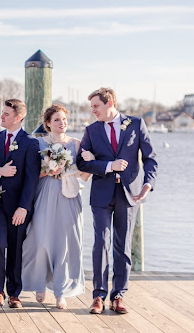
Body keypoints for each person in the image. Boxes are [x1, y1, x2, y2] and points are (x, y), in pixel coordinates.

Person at [77, 88, 157, 315]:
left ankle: (119, 295)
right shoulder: (91, 131)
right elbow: (81, 163)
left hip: (130, 193)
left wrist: (147, 184)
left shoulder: (136, 124)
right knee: (100, 243)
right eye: (92, 107)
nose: (92, 111)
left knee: (122, 246)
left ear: (109, 102)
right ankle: (98, 296)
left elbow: (151, 158)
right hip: (101, 194)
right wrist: (107, 166)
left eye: (96, 106)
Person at [21, 104, 91, 309]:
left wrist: (90, 161)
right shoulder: (38, 143)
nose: (63, 123)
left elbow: (85, 176)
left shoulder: (77, 144)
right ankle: (39, 282)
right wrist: (50, 170)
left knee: (65, 243)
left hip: (69, 196)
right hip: (45, 193)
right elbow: (31, 173)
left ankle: (61, 291)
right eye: (58, 120)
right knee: (40, 240)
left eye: (64, 119)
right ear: (48, 124)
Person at [0, 99, 40, 308]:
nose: (2, 116)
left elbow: (32, 178)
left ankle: (14, 293)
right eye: (2, 112)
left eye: (6, 114)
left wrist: (24, 207)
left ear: (18, 117)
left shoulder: (30, 143)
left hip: (18, 207)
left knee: (15, 248)